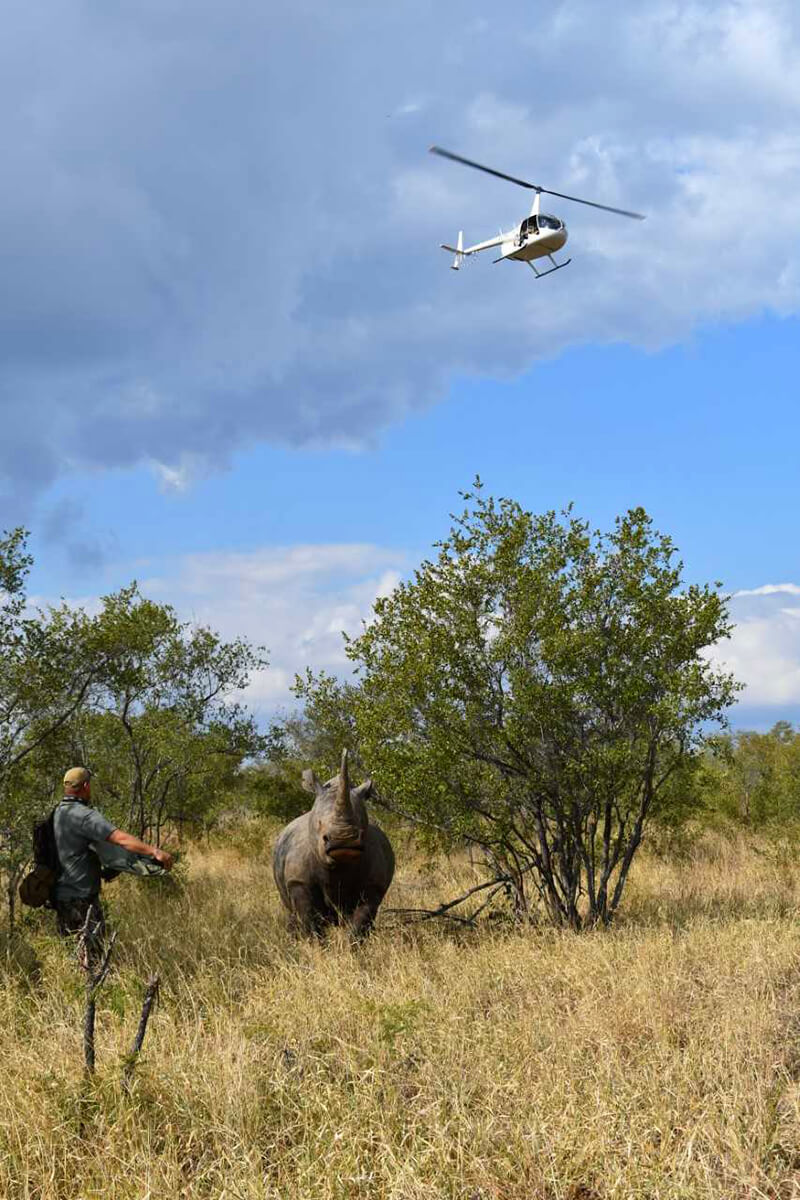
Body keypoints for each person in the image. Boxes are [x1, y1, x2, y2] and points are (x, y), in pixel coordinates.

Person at [53, 766, 174, 959]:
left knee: (71, 954)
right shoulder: (84, 815)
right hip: (82, 898)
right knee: (92, 957)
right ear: (85, 786)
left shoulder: (58, 813)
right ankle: (92, 987)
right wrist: (155, 851)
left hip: (60, 896)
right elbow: (120, 839)